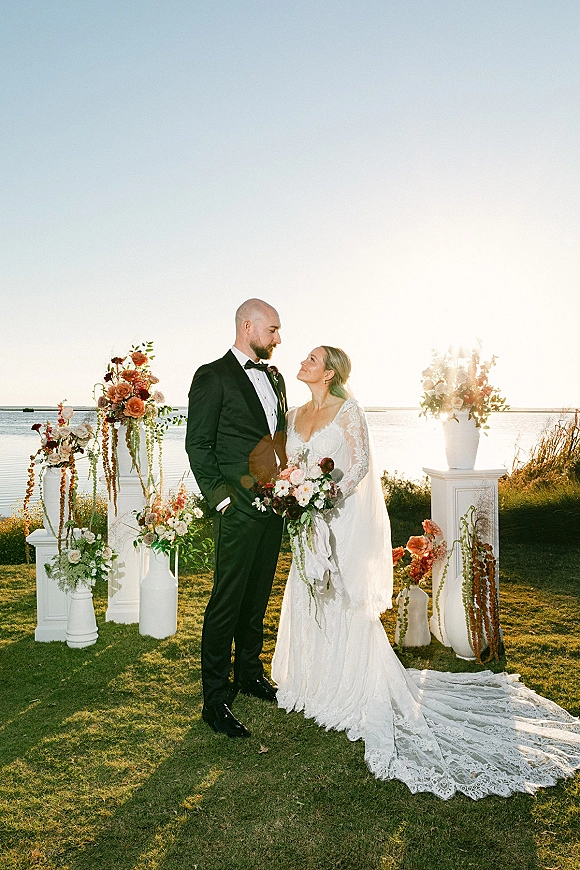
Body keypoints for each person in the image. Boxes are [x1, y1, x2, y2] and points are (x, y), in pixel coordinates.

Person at [272, 345, 580, 799]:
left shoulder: (350, 411)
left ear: (331, 371)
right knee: (307, 588)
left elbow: (357, 466)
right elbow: (287, 463)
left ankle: (349, 686)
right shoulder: (295, 411)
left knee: (340, 593)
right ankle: (308, 678)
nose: (303, 362)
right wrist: (290, 491)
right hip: (306, 521)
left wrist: (322, 493)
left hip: (336, 517)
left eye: (312, 359)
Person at [186, 299, 287, 738]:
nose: (278, 339)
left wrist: (290, 487)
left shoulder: (277, 377)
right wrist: (221, 499)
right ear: (248, 326)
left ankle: (249, 672)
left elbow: (276, 439)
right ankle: (215, 699)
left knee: (259, 594)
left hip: (275, 508)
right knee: (226, 602)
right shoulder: (213, 376)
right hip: (237, 509)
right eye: (273, 331)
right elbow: (198, 445)